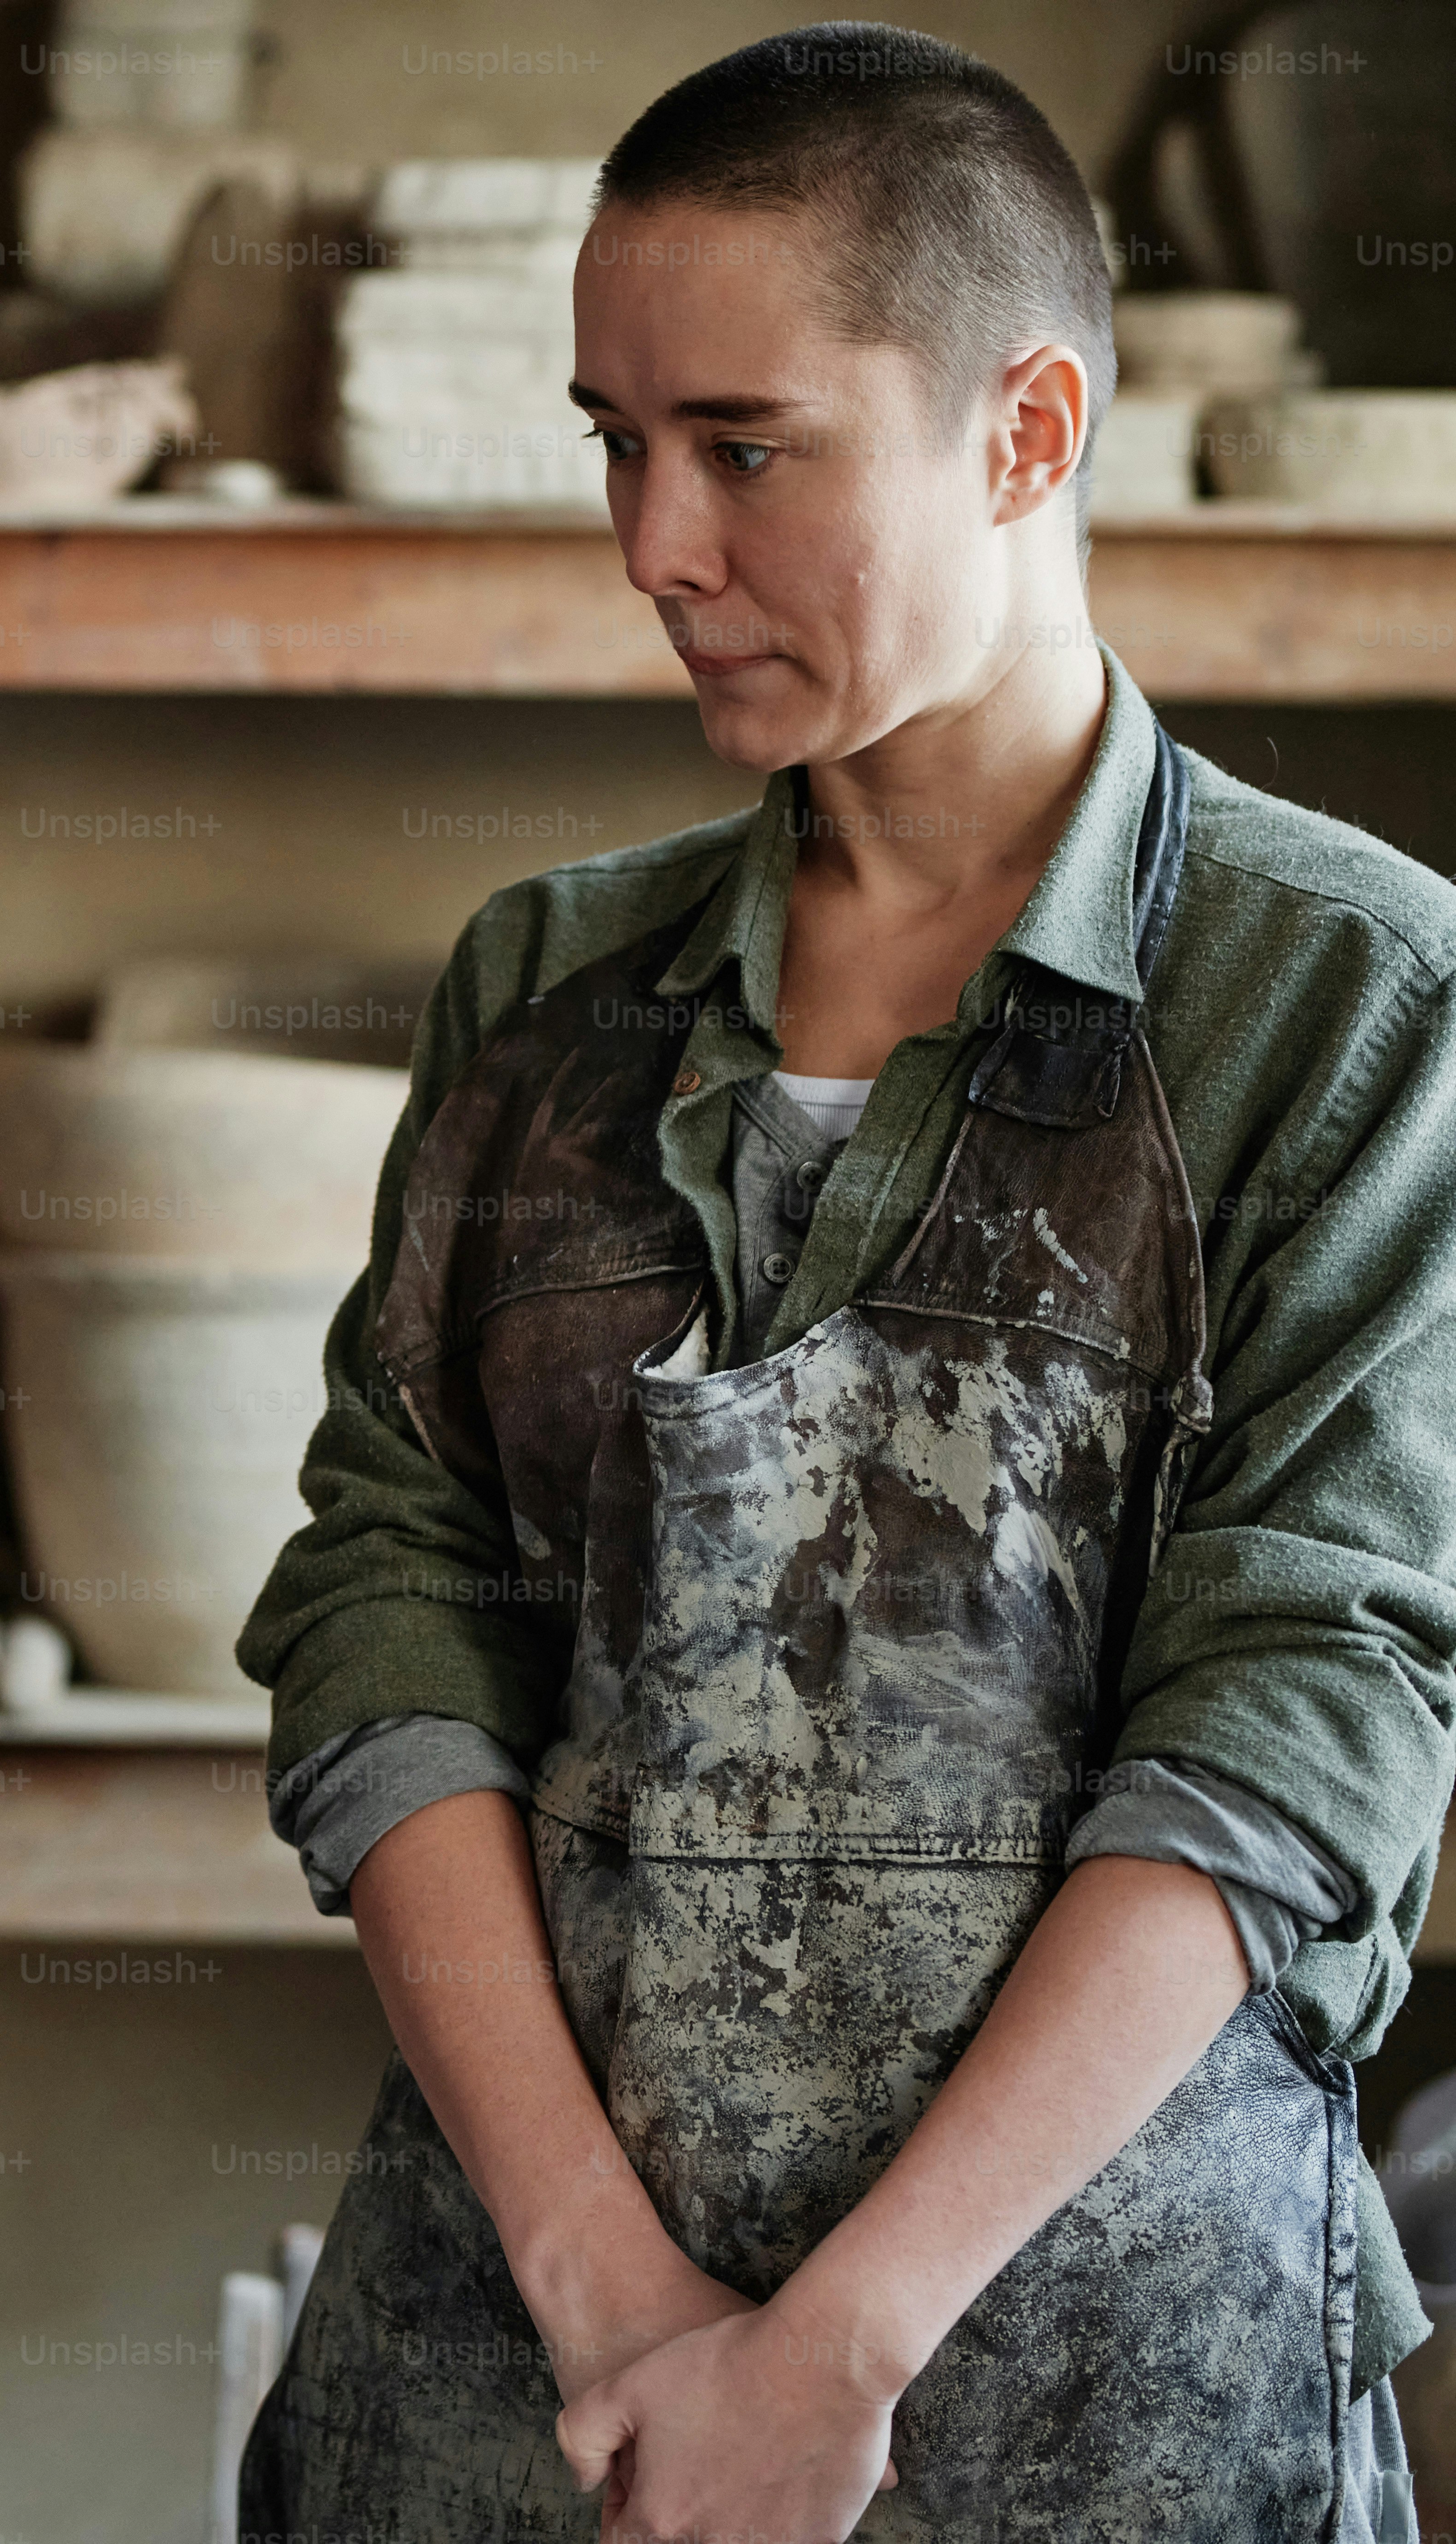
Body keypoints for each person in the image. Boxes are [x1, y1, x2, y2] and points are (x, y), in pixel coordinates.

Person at [237, 24, 1456, 2542]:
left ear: (1028, 433)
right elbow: (391, 1609)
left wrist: (835, 2352)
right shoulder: (544, 986)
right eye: (615, 442)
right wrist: (611, 2296)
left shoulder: (1347, 999)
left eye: (745, 447)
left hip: (1103, 2402)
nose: (655, 544)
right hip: (528, 2393)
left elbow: (1298, 1715)